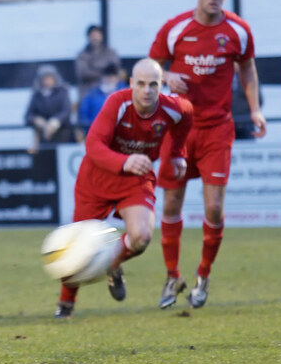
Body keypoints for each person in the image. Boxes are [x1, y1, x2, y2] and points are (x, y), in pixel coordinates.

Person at [149, 0, 266, 309]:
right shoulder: (175, 29)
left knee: (214, 209)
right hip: (179, 128)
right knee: (171, 204)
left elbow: (247, 69)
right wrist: (167, 75)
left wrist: (255, 109)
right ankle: (173, 276)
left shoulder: (238, 31)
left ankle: (203, 275)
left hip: (217, 129)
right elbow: (150, 67)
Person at [55, 59, 193, 319]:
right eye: (140, 84)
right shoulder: (117, 103)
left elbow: (186, 116)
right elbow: (93, 145)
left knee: (141, 236)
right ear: (130, 83)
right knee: (78, 249)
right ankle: (66, 304)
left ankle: (112, 265)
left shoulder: (173, 108)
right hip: (96, 179)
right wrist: (125, 161)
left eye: (153, 84)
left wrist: (177, 153)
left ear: (161, 85)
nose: (147, 90)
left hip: (136, 179)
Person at [25, 64, 74, 151]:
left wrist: (56, 121)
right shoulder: (37, 95)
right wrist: (36, 120)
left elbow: (66, 110)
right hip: (43, 139)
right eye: (45, 78)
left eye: (50, 78)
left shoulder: (62, 92)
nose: (47, 81)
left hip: (63, 135)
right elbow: (28, 115)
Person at [77, 63, 125, 137]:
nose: (109, 79)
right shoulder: (93, 93)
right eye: (107, 76)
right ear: (103, 77)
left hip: (121, 134)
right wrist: (89, 129)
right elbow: (84, 113)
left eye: (112, 76)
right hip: (97, 133)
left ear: (116, 78)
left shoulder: (125, 92)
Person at [75, 24, 121, 101]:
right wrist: (104, 72)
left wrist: (94, 70)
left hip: (109, 91)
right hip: (88, 92)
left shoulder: (110, 52)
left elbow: (115, 69)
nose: (95, 37)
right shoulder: (82, 55)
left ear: (101, 36)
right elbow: (83, 73)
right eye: (92, 35)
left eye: (97, 35)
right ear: (88, 37)